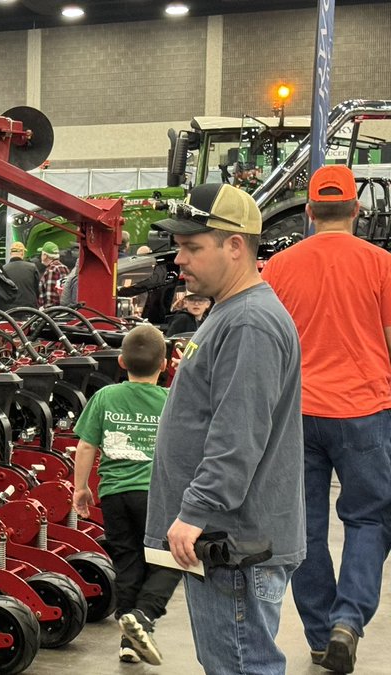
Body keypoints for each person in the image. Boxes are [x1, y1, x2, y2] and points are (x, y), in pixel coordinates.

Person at [144, 182, 304, 675]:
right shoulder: (231, 312)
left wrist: (198, 510)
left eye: (193, 247)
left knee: (241, 666)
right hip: (226, 541)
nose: (180, 260)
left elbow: (238, 433)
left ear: (235, 246)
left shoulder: (248, 323)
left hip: (231, 544)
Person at [262, 164, 391, 674]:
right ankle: (348, 622)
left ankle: (319, 637)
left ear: (310, 211)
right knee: (370, 518)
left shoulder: (279, 267)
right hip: (364, 410)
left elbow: (268, 345)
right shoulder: (381, 264)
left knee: (304, 528)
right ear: (357, 210)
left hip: (295, 414)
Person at [72, 323, 182, 665]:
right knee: (172, 558)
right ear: (164, 366)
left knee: (128, 562)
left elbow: (86, 445)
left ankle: (129, 640)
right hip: (156, 495)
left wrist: (80, 489)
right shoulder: (170, 400)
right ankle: (146, 615)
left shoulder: (105, 397)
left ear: (121, 362)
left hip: (115, 495)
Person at [3, 241, 40, 308]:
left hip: (9, 312)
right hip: (29, 310)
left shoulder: (3, 269)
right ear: (23, 253)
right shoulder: (32, 267)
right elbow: (38, 290)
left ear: (10, 253)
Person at [37, 241, 68, 307]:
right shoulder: (64, 268)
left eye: (42, 254)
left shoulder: (51, 270)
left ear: (45, 256)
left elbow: (50, 297)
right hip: (64, 310)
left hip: (53, 313)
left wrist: (47, 312)